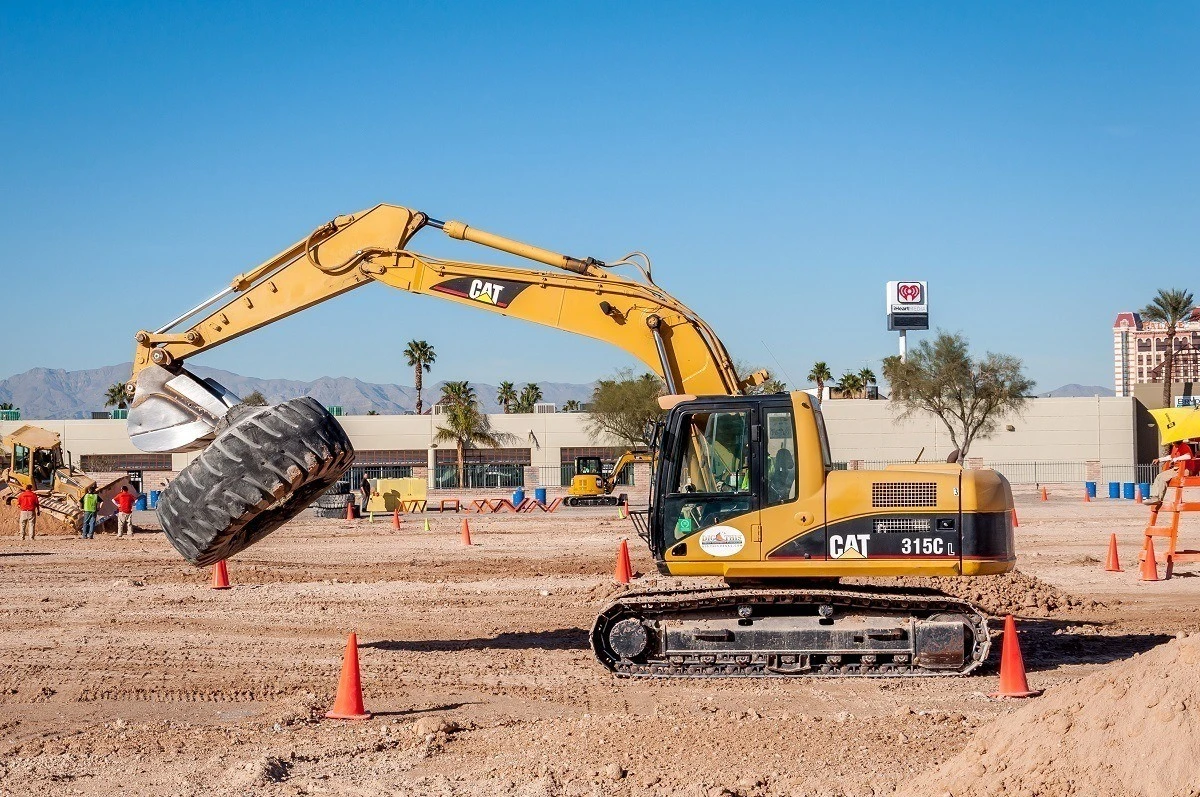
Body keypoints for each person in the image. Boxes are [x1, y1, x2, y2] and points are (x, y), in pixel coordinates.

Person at [1146, 439, 1198, 508]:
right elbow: (1171, 456)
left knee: (1163, 478)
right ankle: (1154, 497)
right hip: (1176, 469)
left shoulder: (1185, 446)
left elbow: (1188, 456)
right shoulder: (1175, 447)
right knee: (1159, 476)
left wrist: (1175, 459)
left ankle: (1159, 498)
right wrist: (1159, 459)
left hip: (1184, 469)